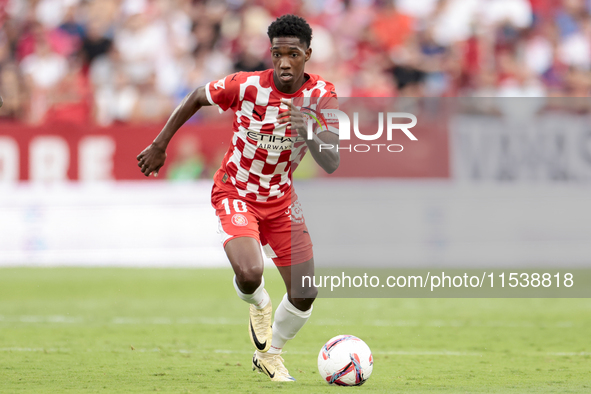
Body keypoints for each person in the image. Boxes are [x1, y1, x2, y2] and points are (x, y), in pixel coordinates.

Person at [136, 15, 339, 382]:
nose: (283, 62)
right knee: (249, 273)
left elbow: (332, 160)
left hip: (280, 199)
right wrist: (160, 144)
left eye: (293, 54)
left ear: (307, 54)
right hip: (236, 191)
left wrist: (307, 130)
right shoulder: (246, 86)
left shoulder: (322, 96)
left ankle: (270, 355)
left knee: (306, 292)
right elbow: (199, 96)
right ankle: (259, 303)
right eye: (277, 53)